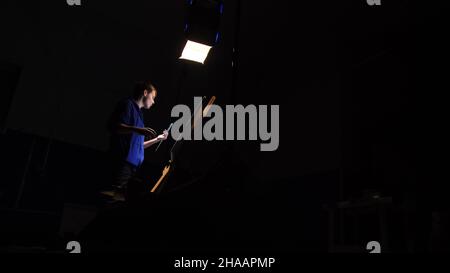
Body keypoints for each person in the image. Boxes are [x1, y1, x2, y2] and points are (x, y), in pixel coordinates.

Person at [105, 81, 168, 202]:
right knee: (114, 201)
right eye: (153, 97)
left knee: (122, 202)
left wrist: (157, 139)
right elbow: (114, 126)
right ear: (145, 93)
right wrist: (139, 130)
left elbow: (138, 145)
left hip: (132, 168)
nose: (153, 101)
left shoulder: (140, 116)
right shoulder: (127, 105)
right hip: (122, 164)